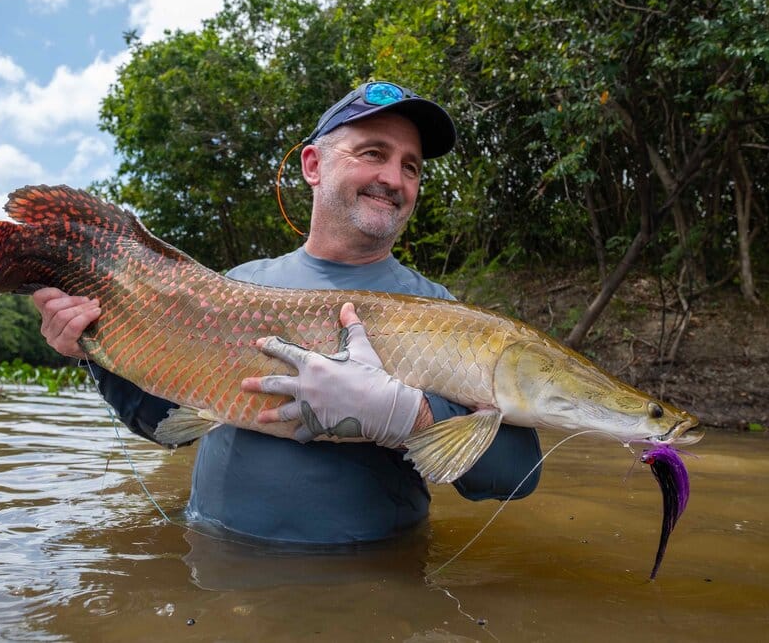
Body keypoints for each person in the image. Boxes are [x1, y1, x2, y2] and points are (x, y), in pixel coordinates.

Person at [33, 81, 543, 545]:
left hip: (373, 583)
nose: (393, 177)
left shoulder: (444, 311)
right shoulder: (235, 285)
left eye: (411, 166)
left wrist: (409, 417)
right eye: (373, 153)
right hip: (216, 563)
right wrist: (91, 349)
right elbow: (160, 420)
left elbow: (518, 474)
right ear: (313, 166)